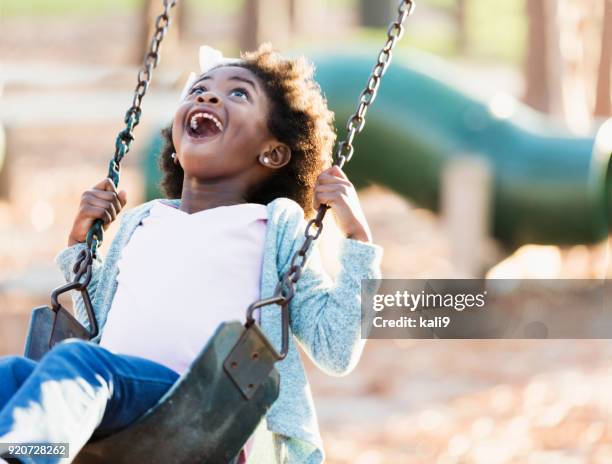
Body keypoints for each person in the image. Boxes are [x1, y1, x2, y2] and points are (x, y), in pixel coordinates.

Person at [0, 43, 383, 464]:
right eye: (198, 90)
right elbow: (95, 324)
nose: (207, 96)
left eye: (238, 93)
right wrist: (78, 247)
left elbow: (335, 348)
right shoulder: (142, 220)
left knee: (80, 363)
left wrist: (358, 238)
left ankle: (27, 457)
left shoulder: (275, 226)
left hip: (200, 408)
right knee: (12, 375)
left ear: (273, 152)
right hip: (111, 396)